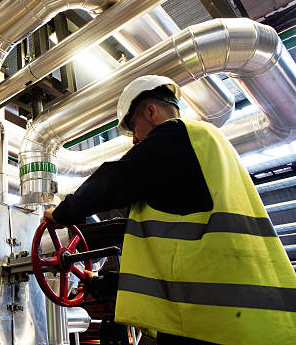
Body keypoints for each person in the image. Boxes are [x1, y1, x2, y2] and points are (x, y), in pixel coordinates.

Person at [43, 75, 296, 344]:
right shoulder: (205, 146)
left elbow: (116, 179)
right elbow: (177, 264)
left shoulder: (178, 134)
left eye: (133, 128)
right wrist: (102, 283)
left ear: (151, 112)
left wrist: (62, 213)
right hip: (242, 316)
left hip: (214, 325)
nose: (134, 141)